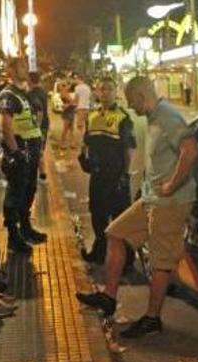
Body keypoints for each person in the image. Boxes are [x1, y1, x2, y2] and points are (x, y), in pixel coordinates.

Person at [75, 76, 198, 338]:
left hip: (170, 202)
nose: (131, 107)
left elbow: (190, 150)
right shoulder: (154, 119)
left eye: (132, 102)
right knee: (115, 233)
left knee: (160, 261)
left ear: (143, 96)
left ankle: (152, 318)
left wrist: (171, 185)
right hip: (151, 198)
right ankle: (109, 298)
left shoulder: (168, 117)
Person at [79, 77, 136, 265]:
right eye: (101, 89)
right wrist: (83, 158)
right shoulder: (92, 115)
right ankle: (99, 253)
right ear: (96, 91)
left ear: (115, 91)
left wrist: (125, 176)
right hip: (97, 175)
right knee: (98, 216)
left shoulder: (123, 118)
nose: (105, 93)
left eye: (109, 89)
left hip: (116, 176)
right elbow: (86, 141)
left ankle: (126, 262)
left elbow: (128, 150)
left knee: (120, 220)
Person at [0, 57, 47, 253]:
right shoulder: (8, 95)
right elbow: (6, 127)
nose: (25, 69)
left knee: (30, 189)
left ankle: (25, 227)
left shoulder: (26, 92)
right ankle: (13, 235)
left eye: (26, 66)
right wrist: (16, 151)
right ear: (9, 70)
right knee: (15, 192)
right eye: (20, 66)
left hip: (32, 147)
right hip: (20, 148)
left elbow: (38, 116)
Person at [27, 71, 50, 181]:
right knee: (40, 149)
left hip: (38, 125)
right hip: (45, 124)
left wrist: (37, 127)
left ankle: (39, 174)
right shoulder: (43, 91)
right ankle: (42, 173)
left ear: (30, 80)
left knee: (36, 150)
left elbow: (39, 110)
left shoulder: (32, 94)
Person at [73, 73, 92, 147]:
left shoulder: (77, 87)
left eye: (76, 79)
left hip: (80, 108)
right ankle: (87, 141)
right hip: (87, 108)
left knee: (79, 126)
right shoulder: (88, 87)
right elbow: (89, 98)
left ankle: (81, 141)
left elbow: (76, 99)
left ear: (79, 79)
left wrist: (72, 104)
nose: (75, 80)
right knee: (86, 126)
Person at [58, 81, 77, 150]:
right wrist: (72, 104)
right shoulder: (64, 93)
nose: (68, 86)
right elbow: (69, 103)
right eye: (66, 85)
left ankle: (71, 143)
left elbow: (71, 103)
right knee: (65, 129)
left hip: (71, 112)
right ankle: (62, 143)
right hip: (68, 112)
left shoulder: (66, 93)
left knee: (71, 129)